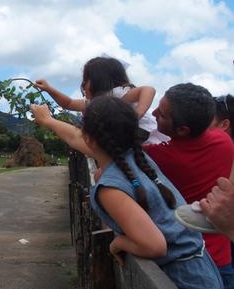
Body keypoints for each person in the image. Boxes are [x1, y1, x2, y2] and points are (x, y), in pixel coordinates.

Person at [30, 96, 223, 288]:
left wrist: (118, 243)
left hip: (182, 279)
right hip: (202, 270)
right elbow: (74, 137)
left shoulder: (111, 189)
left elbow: (154, 245)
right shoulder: (139, 159)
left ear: (88, 138)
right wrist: (47, 120)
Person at [143, 83, 234, 288]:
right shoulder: (223, 141)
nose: (155, 112)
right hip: (223, 257)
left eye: (163, 114)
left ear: (183, 129)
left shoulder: (161, 158)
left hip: (189, 261)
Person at [34, 56, 165, 143]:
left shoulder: (117, 96)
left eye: (86, 80)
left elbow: (148, 89)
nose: (83, 85)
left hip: (144, 135)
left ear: (100, 80)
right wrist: (49, 89)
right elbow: (69, 103)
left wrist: (138, 113)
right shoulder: (94, 103)